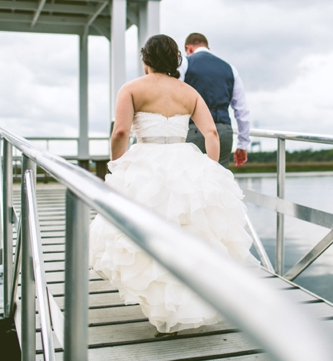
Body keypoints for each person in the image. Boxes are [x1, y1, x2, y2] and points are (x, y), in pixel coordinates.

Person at [88, 34, 258, 334]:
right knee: (190, 232)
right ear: (176, 60)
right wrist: (210, 168)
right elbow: (211, 135)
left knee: (144, 233)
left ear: (146, 59)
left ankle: (159, 303)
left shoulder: (130, 89)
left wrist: (116, 165)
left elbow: (120, 133)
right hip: (184, 164)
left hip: (145, 162)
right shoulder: (189, 92)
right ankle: (188, 298)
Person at [179, 33, 250, 168]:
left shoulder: (185, 63)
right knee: (219, 181)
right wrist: (242, 144)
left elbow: (174, 97)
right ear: (208, 48)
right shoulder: (230, 68)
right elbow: (242, 110)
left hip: (194, 130)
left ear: (189, 48)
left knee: (191, 180)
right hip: (224, 132)